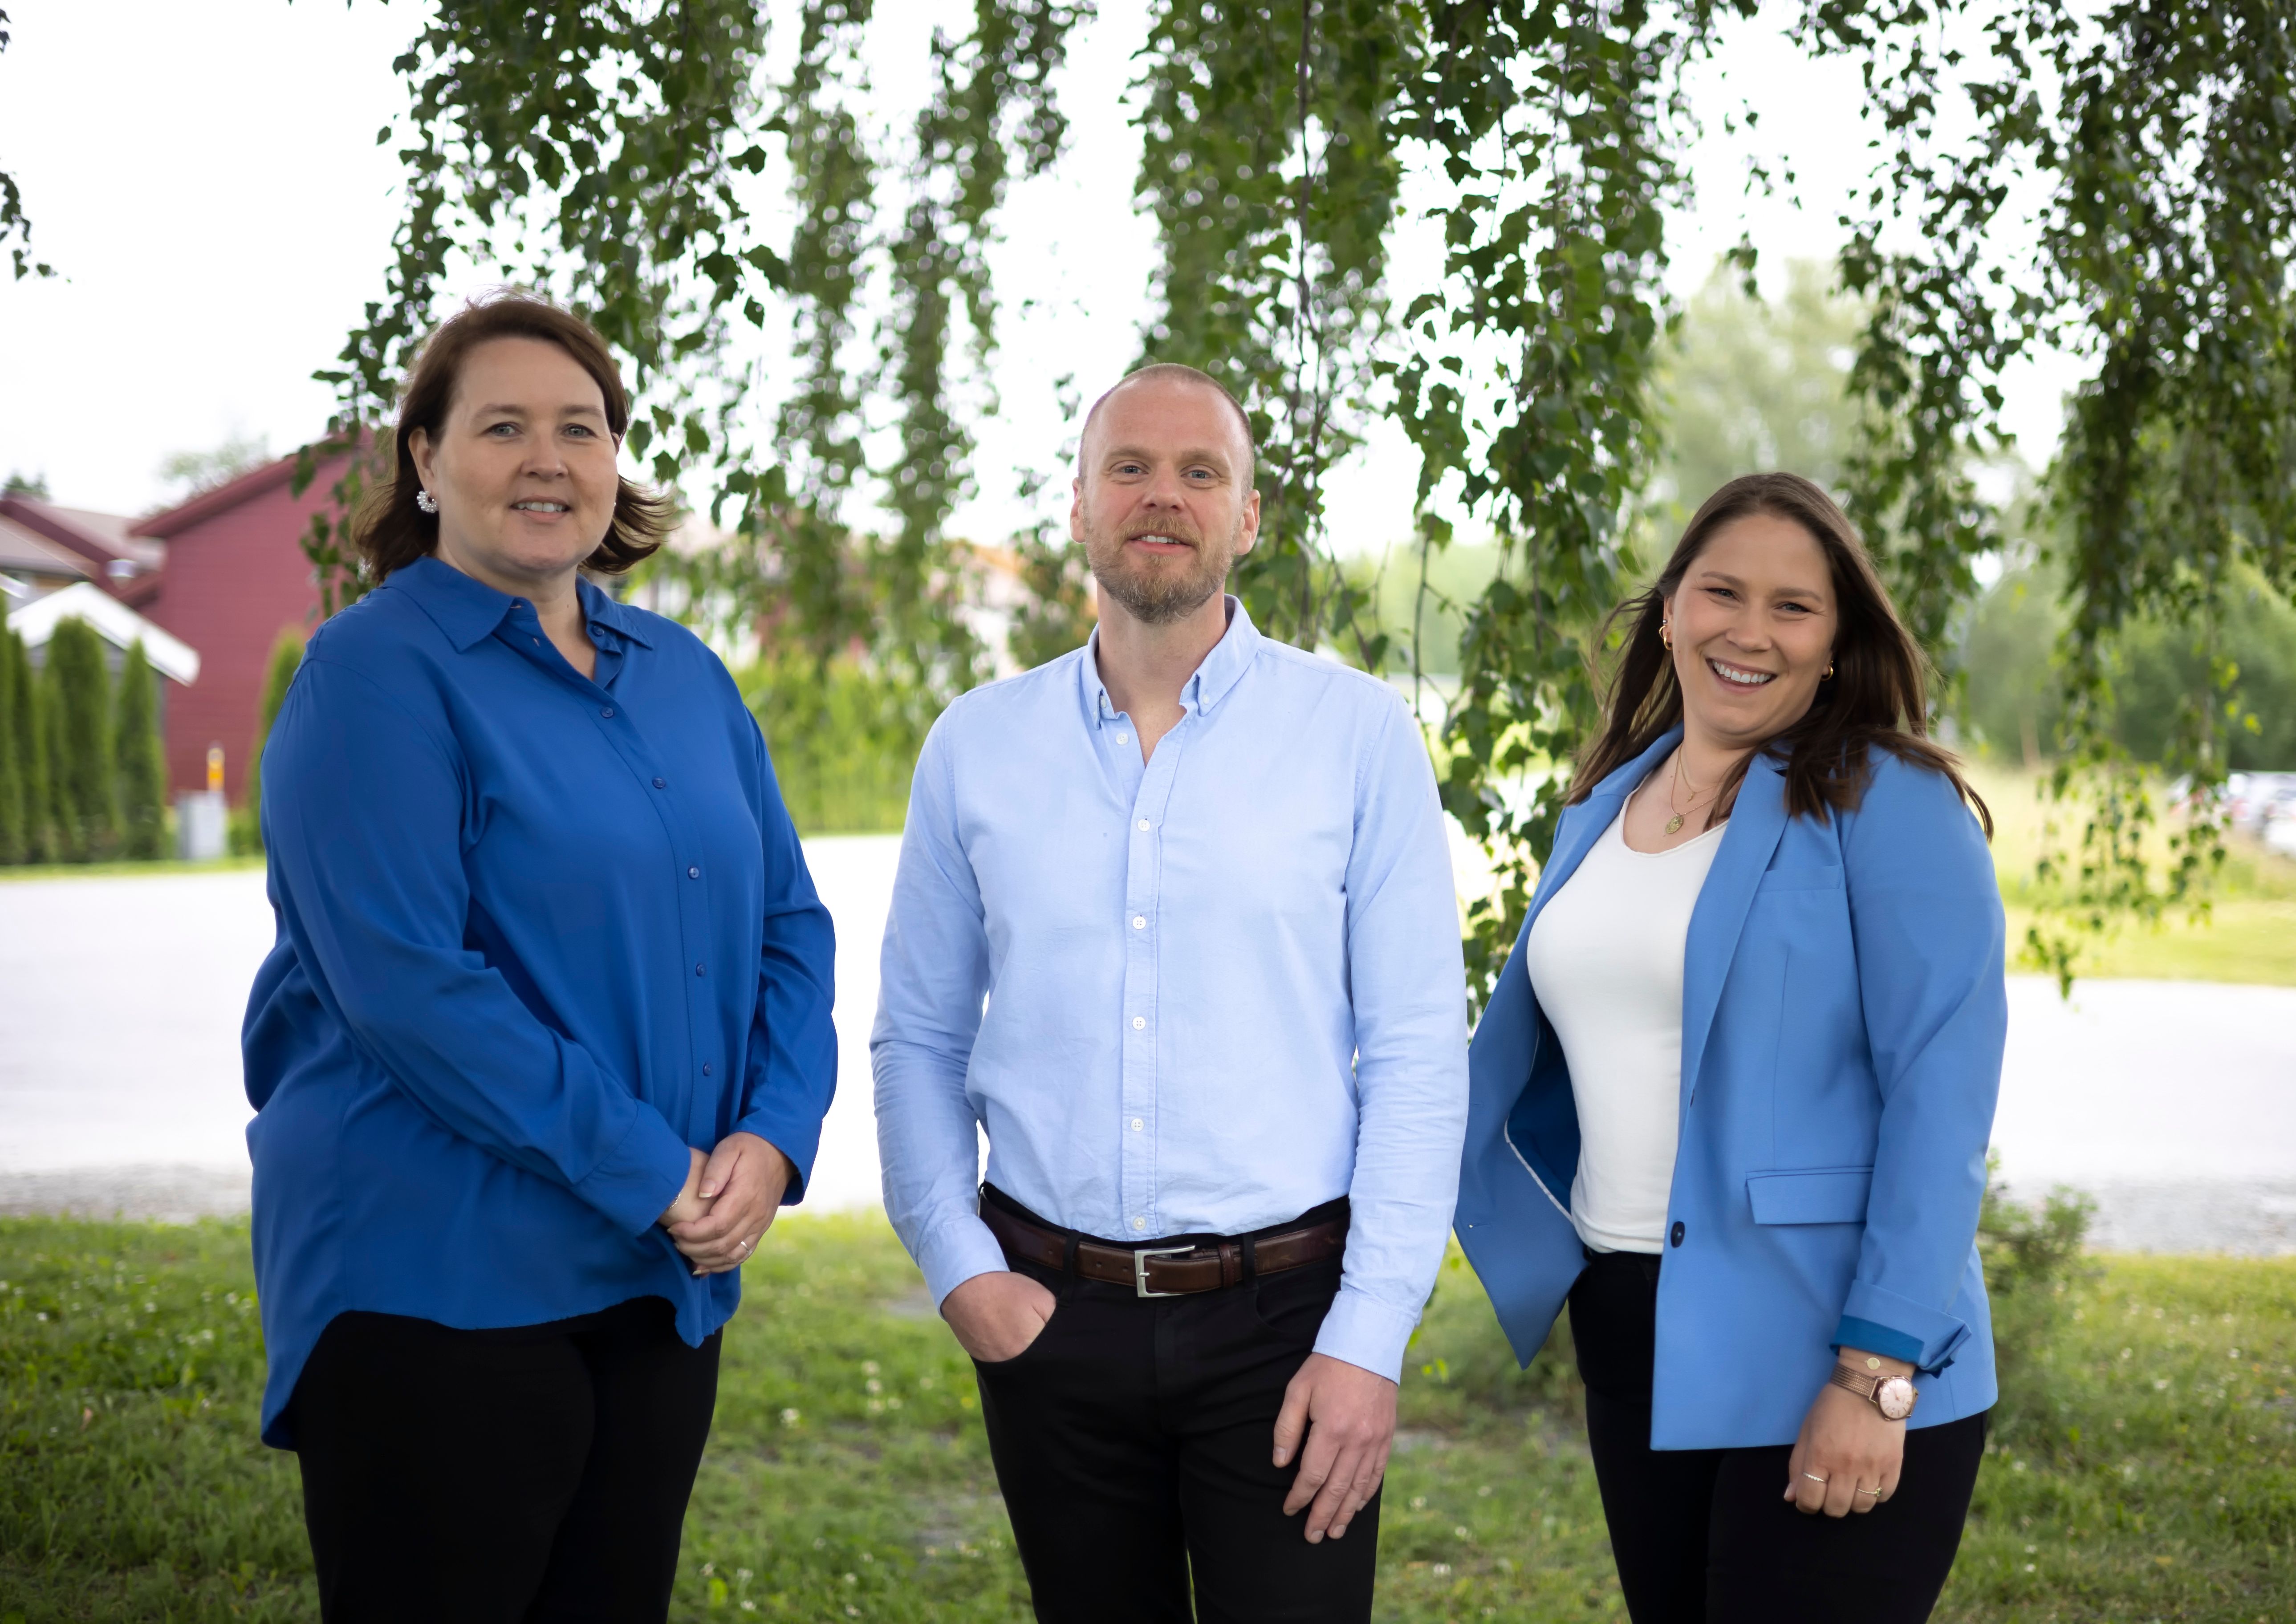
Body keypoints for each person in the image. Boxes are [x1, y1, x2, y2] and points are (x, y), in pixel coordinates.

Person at [242, 291, 837, 1624]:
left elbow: (789, 924)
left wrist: (772, 1136)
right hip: (435, 1276)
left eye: (580, 428)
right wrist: (656, 1172)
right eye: (503, 427)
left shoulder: (683, 674)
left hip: (658, 1277)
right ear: (426, 458)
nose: (547, 460)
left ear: (615, 458)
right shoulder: (372, 674)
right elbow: (409, 988)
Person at [872, 362, 1468, 1623]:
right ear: (1079, 505)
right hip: (1049, 1316)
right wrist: (959, 1266)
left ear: (1247, 517)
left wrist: (1369, 1337)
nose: (1164, 496)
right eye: (1130, 468)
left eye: (1202, 472)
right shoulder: (976, 745)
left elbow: (1418, 1053)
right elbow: (917, 1036)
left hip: (1289, 1326)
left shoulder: (1358, 736)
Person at [1454, 472, 2003, 1623]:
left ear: (1836, 643)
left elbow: (1940, 1100)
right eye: (1721, 593)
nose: (1750, 631)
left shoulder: (1888, 802)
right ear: (1670, 613)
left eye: (1793, 607)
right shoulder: (1604, 804)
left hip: (1825, 1341)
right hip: (1630, 1331)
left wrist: (1875, 1370)